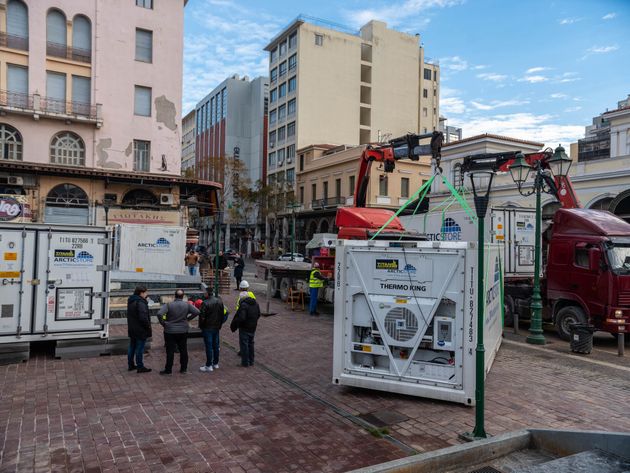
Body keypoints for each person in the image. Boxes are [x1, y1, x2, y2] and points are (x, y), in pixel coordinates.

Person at [157, 289, 200, 374]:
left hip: (170, 331)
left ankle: (168, 370)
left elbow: (159, 314)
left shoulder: (169, 305)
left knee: (170, 351)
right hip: (183, 330)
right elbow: (197, 311)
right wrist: (187, 319)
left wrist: (163, 323)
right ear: (183, 296)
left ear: (175, 296)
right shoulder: (187, 305)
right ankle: (183, 369)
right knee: (183, 349)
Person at [230, 281, 260, 367]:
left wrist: (237, 324)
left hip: (245, 328)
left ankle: (245, 362)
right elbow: (258, 314)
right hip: (253, 327)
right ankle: (251, 361)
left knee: (244, 345)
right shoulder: (255, 303)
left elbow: (242, 317)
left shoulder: (243, 305)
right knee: (251, 344)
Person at [198, 287, 227, 372]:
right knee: (216, 346)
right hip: (216, 327)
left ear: (207, 293)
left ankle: (208, 365)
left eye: (204, 292)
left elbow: (202, 317)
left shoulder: (205, 303)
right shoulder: (219, 301)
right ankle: (215, 363)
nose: (204, 294)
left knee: (209, 346)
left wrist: (201, 326)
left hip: (208, 328)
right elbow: (222, 315)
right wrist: (220, 324)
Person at [127, 285, 152, 373]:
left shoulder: (131, 300)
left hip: (132, 328)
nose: (146, 294)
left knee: (132, 347)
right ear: (141, 293)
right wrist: (148, 326)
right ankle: (140, 366)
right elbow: (143, 317)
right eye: (146, 292)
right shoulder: (140, 302)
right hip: (140, 329)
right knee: (139, 348)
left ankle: (130, 365)